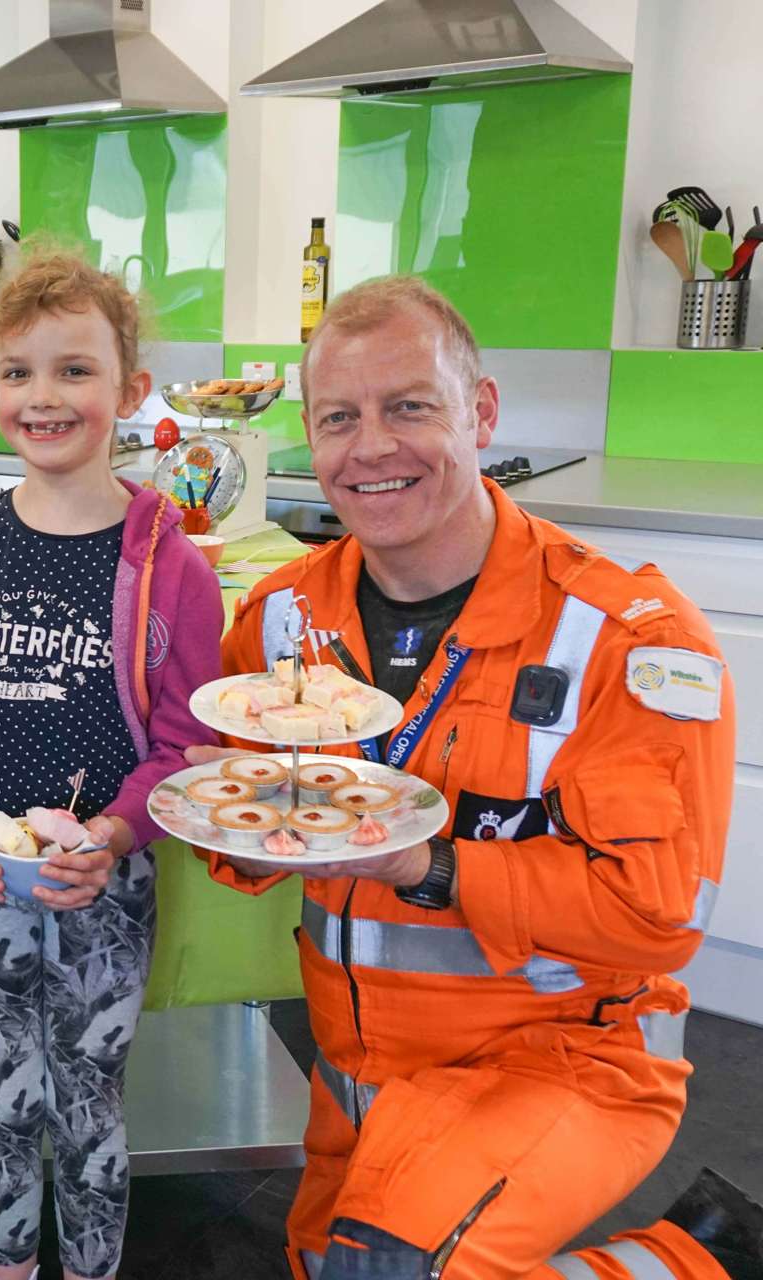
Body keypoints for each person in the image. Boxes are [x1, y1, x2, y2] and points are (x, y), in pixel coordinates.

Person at [196, 276, 754, 1279]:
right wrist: (219, 807)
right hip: (359, 1071)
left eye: (409, 406)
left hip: (565, 1062)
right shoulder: (282, 619)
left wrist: (430, 864)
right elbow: (240, 846)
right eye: (340, 417)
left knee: (393, 1270)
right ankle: (706, 1248)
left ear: (482, 412)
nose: (372, 447)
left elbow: (657, 916)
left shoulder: (626, 641)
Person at [0, 250, 221, 1280]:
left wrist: (117, 831)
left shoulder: (176, 561)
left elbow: (184, 747)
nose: (46, 395)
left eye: (75, 370)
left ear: (129, 388)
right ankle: (5, 1264)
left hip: (105, 883)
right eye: (20, 371)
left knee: (88, 1094)